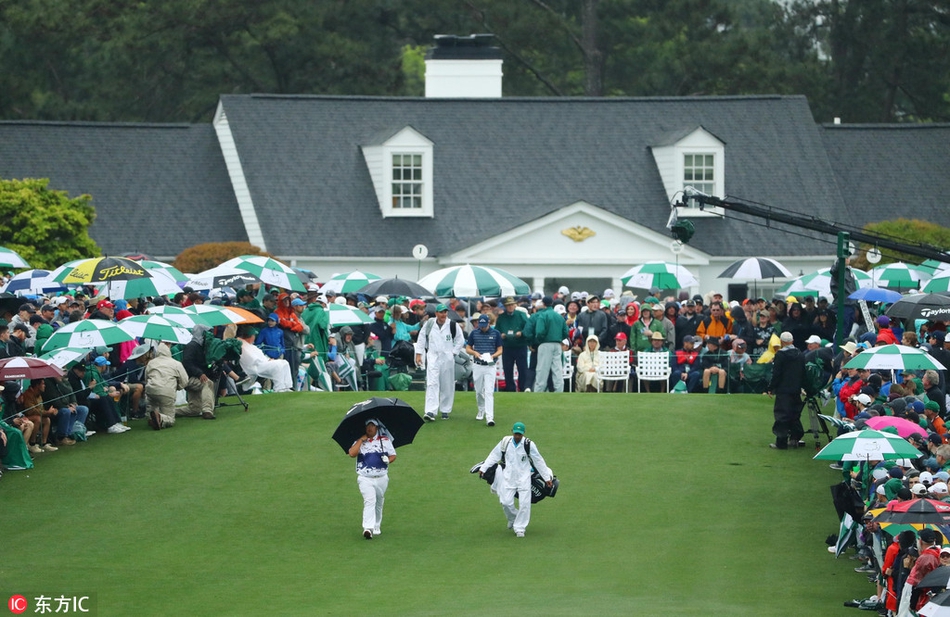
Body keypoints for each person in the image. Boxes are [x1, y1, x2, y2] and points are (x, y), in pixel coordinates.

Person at [478, 421, 553, 538]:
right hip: (508, 478)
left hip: (524, 479)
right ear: (512, 432)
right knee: (505, 502)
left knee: (524, 504)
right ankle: (513, 518)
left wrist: (546, 478)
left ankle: (520, 528)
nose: (517, 436)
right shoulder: (505, 442)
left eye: (520, 434)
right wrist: (484, 468)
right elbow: (494, 455)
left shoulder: (529, 445)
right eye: (516, 434)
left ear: (523, 434)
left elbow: (538, 460)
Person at [415, 303, 465, 421]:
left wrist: (453, 352)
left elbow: (460, 340)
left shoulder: (452, 325)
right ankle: (430, 411)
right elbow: (421, 338)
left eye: (445, 312)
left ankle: (445, 410)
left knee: (447, 383)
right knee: (432, 383)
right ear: (436, 313)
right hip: (433, 356)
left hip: (447, 357)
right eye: (441, 312)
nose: (443, 314)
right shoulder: (430, 324)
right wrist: (418, 354)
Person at [348, 418, 396, 539]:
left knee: (379, 501)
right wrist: (361, 440)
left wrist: (388, 460)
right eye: (368, 426)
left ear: (377, 428)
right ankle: (367, 528)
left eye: (372, 426)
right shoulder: (360, 441)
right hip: (365, 478)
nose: (370, 428)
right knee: (370, 500)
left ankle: (376, 525)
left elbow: (393, 455)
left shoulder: (385, 440)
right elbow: (352, 454)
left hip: (381, 477)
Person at [768, 331, 806, 450]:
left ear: (781, 342)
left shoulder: (780, 355)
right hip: (795, 389)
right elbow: (803, 373)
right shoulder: (800, 354)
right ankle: (795, 438)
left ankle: (781, 442)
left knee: (782, 415)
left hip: (783, 390)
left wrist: (771, 387)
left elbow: (777, 373)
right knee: (794, 414)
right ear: (792, 341)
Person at [524, 296, 570, 393]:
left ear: (543, 304)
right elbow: (566, 332)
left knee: (542, 369)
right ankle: (559, 390)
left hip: (545, 344)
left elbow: (539, 332)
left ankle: (539, 390)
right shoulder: (559, 316)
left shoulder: (542, 315)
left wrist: (540, 340)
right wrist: (558, 338)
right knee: (557, 369)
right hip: (557, 344)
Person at [466, 314, 503, 426]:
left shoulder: (495, 333)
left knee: (489, 392)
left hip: (490, 365)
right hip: (478, 365)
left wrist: (493, 356)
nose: (482, 327)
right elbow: (468, 348)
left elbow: (500, 350)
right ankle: (481, 409)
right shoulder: (474, 333)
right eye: (480, 325)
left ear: (489, 323)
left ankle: (489, 417)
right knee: (478, 391)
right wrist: (475, 353)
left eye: (484, 325)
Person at [144, 342, 189, 430]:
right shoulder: (176, 364)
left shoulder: (151, 363)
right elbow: (185, 380)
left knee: (151, 405)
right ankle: (160, 418)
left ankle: (151, 417)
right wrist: (177, 387)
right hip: (167, 391)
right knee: (170, 418)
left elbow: (146, 378)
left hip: (151, 390)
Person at [182, 324, 218, 420]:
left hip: (193, 377)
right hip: (189, 378)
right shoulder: (192, 346)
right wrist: (199, 373)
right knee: (207, 383)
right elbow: (186, 362)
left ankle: (170, 412)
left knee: (194, 410)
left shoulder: (201, 347)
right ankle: (207, 410)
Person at [495, 296, 529, 392]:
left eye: (511, 305)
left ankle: (522, 388)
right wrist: (500, 335)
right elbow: (497, 330)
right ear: (505, 306)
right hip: (507, 346)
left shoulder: (521, 315)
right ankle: (510, 388)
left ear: (515, 305)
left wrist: (522, 333)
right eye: (507, 305)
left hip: (520, 345)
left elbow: (528, 326)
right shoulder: (501, 317)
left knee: (522, 368)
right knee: (507, 368)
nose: (510, 307)